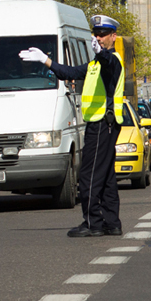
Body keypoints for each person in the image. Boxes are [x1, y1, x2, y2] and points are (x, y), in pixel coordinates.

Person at [19, 15, 125, 238]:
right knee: (105, 176)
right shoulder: (94, 65)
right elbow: (70, 73)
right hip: (102, 126)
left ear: (113, 37)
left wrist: (101, 52)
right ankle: (112, 222)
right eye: (96, 34)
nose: (98, 38)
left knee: (88, 176)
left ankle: (92, 223)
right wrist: (45, 61)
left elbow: (108, 62)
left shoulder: (112, 61)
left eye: (103, 35)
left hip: (102, 125)